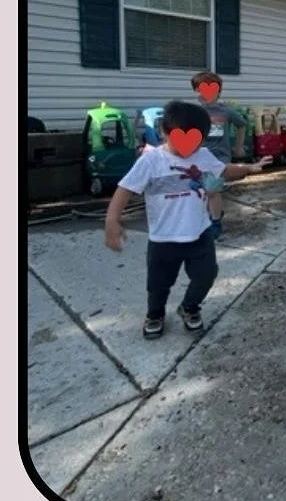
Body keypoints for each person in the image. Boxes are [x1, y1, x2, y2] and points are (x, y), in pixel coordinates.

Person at [104, 100, 271, 339]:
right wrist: (112, 220)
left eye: (196, 139)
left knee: (206, 275)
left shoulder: (202, 155)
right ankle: (155, 314)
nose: (189, 146)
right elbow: (125, 189)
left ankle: (189, 307)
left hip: (199, 233)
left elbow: (223, 170)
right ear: (164, 132)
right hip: (163, 239)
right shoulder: (151, 161)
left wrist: (250, 168)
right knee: (159, 284)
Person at [191, 71, 248, 241]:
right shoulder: (194, 112)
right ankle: (211, 215)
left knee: (212, 190)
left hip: (220, 158)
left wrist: (238, 147)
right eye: (199, 89)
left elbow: (242, 125)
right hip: (198, 158)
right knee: (200, 191)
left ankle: (215, 222)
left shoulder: (226, 111)